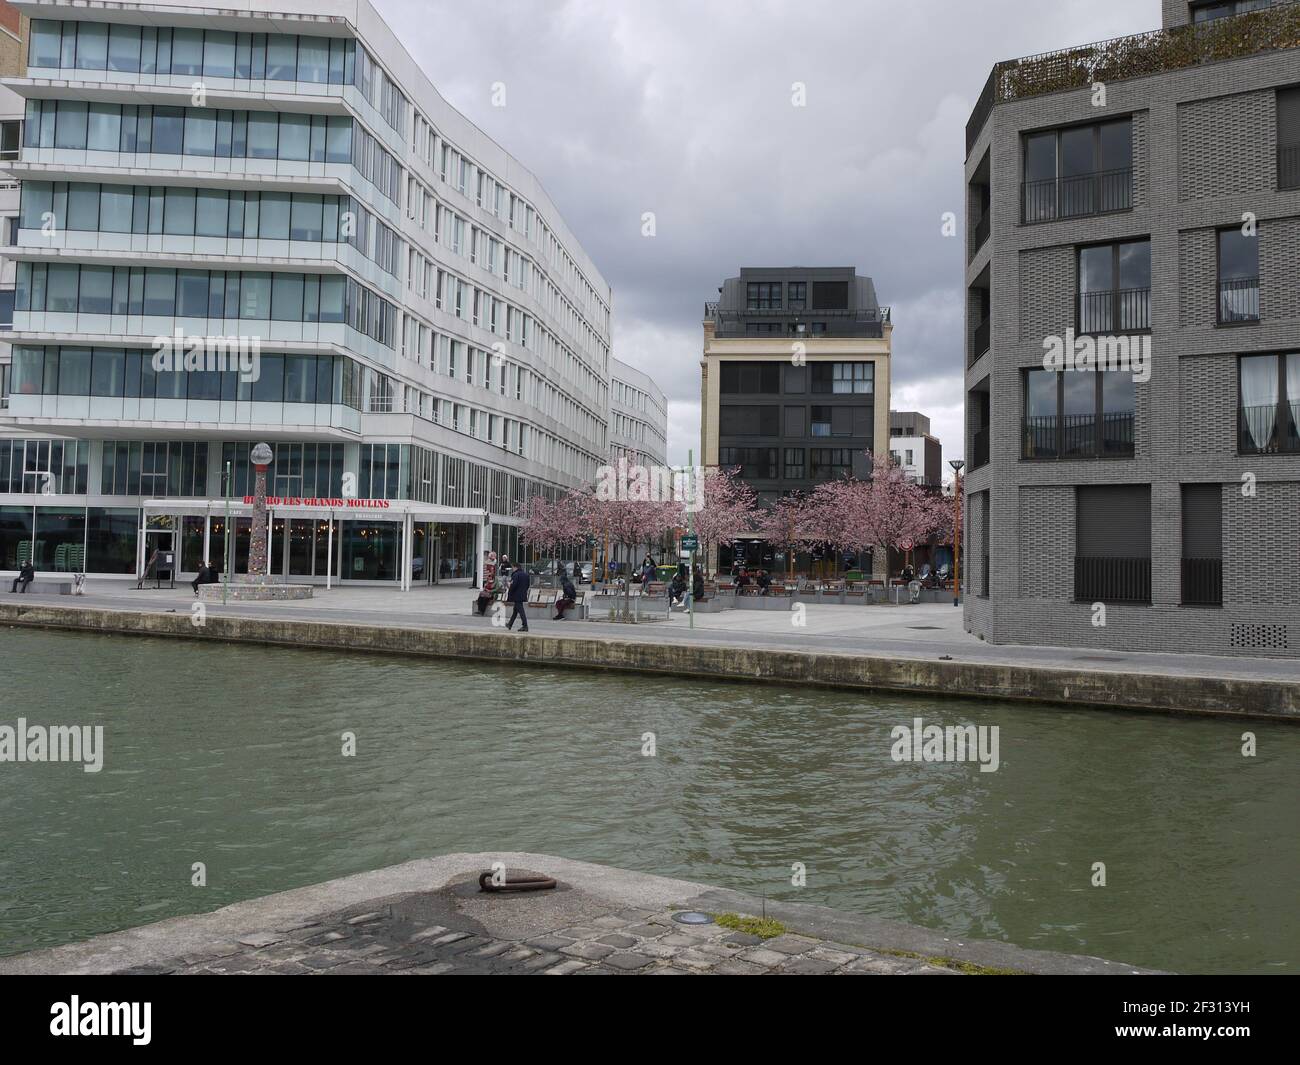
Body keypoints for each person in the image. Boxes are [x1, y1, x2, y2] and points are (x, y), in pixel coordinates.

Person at [505, 561, 530, 632]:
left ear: (515, 567)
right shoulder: (526, 574)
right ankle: (510, 624)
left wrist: (509, 585)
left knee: (521, 611)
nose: (512, 569)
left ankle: (525, 626)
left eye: (512, 567)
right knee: (515, 611)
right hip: (523, 594)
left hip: (516, 595)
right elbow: (527, 585)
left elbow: (513, 585)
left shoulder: (515, 575)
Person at [475, 551, 498, 616]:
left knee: (485, 598)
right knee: (481, 597)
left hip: (491, 593)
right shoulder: (488, 580)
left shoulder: (495, 580)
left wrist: (490, 591)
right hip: (488, 592)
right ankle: (479, 610)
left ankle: (482, 611)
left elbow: (496, 589)